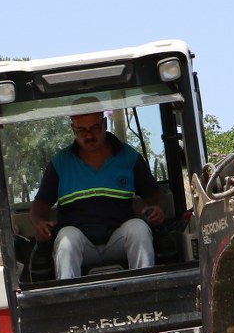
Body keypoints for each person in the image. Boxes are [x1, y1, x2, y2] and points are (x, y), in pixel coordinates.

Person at [30, 110, 166, 279]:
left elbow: (154, 196)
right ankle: (70, 301)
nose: (89, 135)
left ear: (104, 124)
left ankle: (147, 295)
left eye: (94, 128)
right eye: (81, 130)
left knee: (138, 228)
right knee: (66, 238)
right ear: (73, 129)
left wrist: (157, 209)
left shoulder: (128, 157)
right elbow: (38, 208)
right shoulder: (60, 164)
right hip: (80, 244)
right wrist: (40, 224)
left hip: (118, 240)